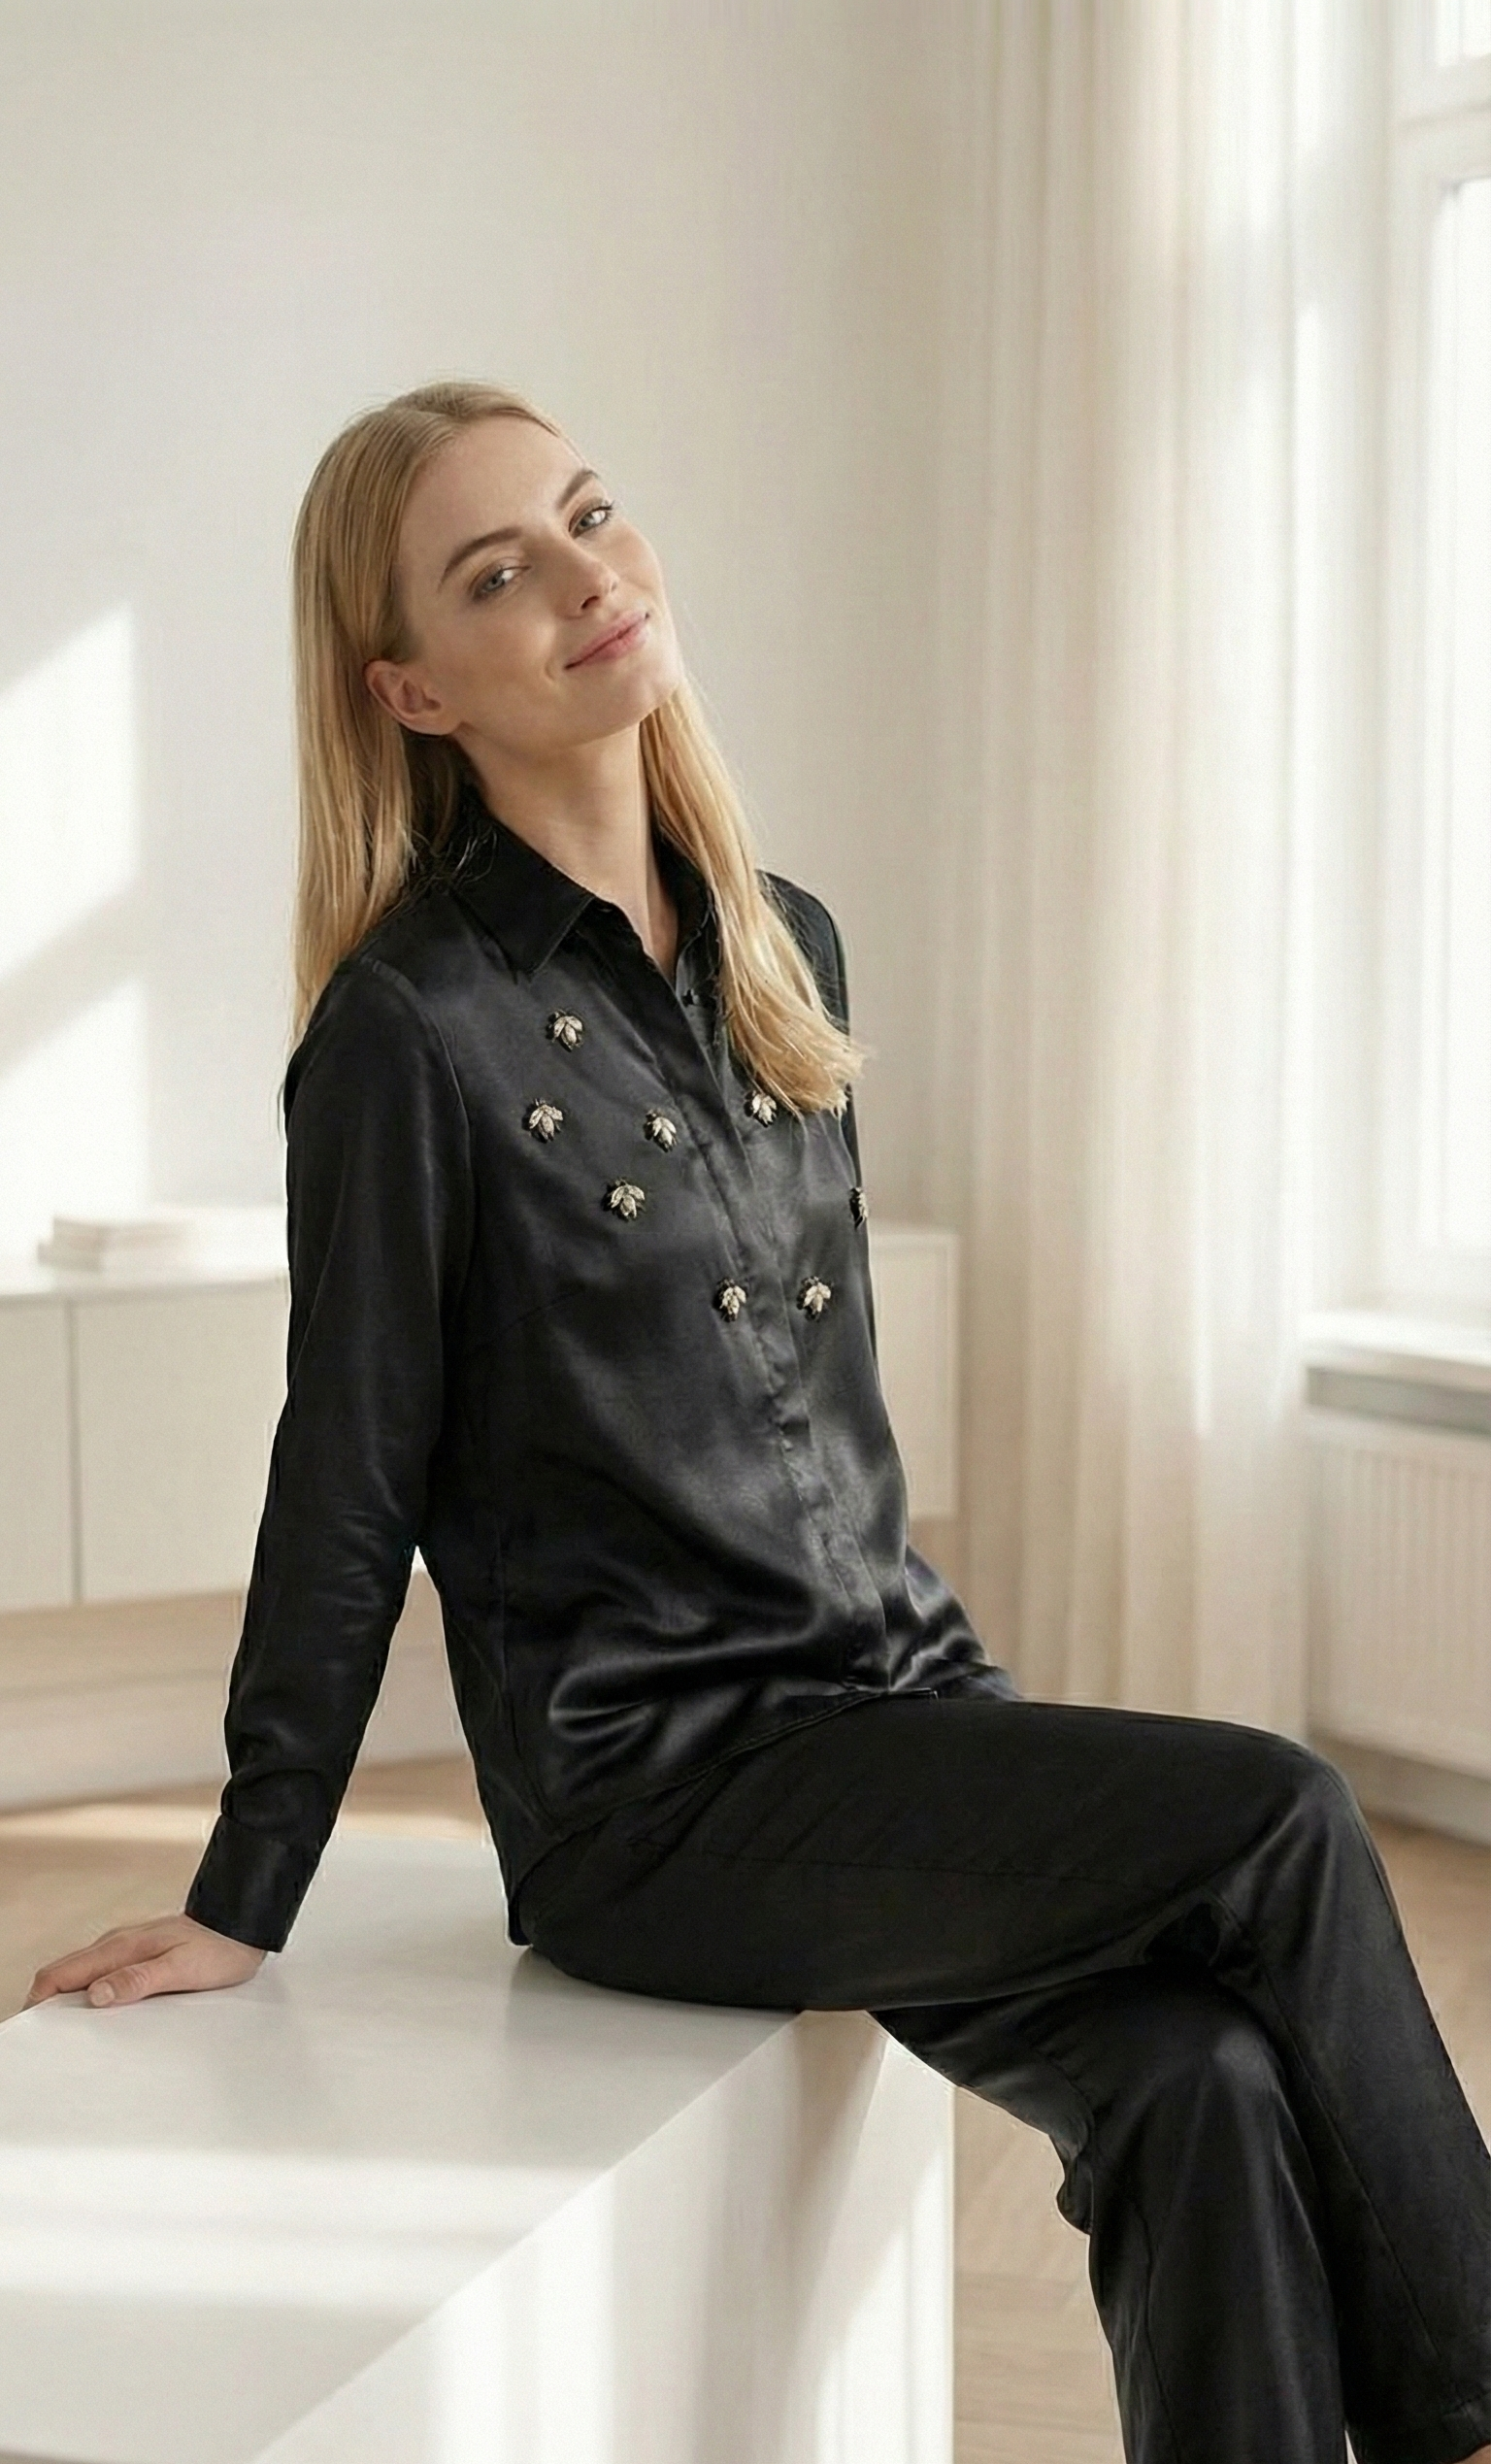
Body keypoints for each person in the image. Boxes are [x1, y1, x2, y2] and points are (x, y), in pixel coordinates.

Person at [26, 380, 1491, 2464]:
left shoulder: (781, 944)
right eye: (494, 574)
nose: (582, 580)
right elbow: (343, 1469)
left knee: (1204, 2084)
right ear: (412, 692)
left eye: (589, 515)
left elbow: (833, 1420)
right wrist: (250, 1880)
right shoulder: (406, 1036)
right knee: (1283, 1812)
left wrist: (964, 1719)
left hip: (890, 1713)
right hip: (661, 1805)